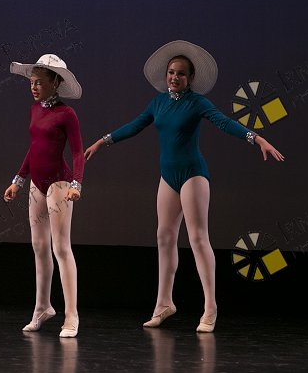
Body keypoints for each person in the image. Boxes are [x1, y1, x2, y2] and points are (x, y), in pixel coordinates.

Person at [84, 40, 284, 333]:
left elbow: (224, 123)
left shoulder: (197, 102)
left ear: (190, 78)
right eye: (171, 72)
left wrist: (257, 139)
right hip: (168, 177)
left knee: (198, 238)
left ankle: (210, 307)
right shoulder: (158, 103)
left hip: (193, 175)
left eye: (180, 73)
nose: (174, 77)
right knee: (163, 236)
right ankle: (164, 303)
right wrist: (103, 141)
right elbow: (135, 125)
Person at [3, 54, 84, 338]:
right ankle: (42, 307)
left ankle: (71, 315)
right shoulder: (34, 109)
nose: (34, 87)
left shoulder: (67, 114)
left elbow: (77, 152)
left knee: (61, 247)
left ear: (55, 83)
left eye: (39, 82)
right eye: (32, 82)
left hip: (59, 184)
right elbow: (34, 147)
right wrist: (18, 180)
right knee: (39, 246)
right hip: (37, 184)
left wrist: (76, 184)